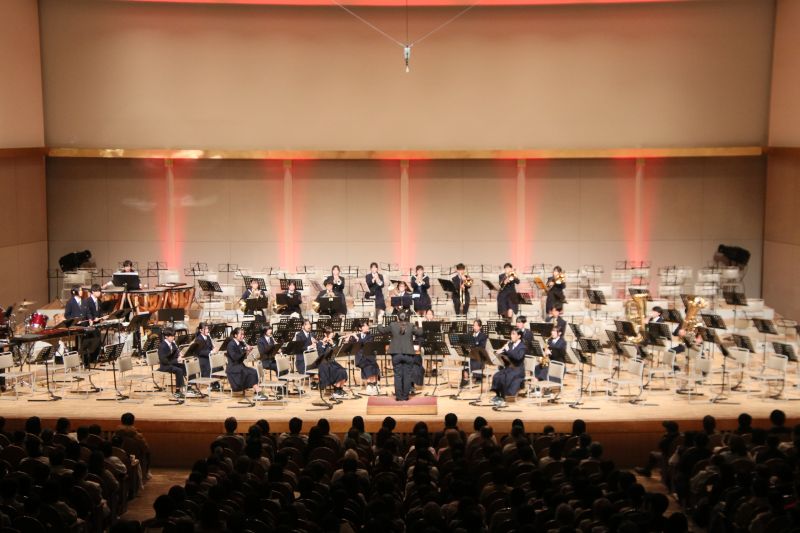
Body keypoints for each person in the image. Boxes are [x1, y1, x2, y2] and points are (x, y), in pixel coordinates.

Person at [378, 312, 423, 401]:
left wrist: (380, 320)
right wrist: (420, 322)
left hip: (396, 354)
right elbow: (420, 333)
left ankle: (399, 397)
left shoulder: (392, 325)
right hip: (408, 354)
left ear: (397, 318)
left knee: (398, 375)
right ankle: (405, 396)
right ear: (406, 318)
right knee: (407, 375)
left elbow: (382, 331)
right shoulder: (411, 325)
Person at [490, 328, 526, 407]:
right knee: (497, 376)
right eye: (511, 334)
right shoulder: (510, 344)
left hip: (518, 370)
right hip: (509, 368)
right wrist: (500, 352)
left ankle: (503, 397)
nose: (511, 336)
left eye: (513, 334)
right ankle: (498, 394)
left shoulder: (522, 346)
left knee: (506, 377)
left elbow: (518, 357)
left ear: (519, 336)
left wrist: (508, 350)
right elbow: (506, 353)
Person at [226, 327, 263, 399]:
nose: (243, 336)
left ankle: (256, 390)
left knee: (253, 371)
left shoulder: (241, 343)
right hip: (233, 367)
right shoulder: (231, 344)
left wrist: (248, 352)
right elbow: (235, 358)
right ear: (235, 335)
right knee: (248, 372)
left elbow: (242, 357)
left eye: (243, 334)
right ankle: (257, 389)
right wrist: (245, 351)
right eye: (241, 334)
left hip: (239, 365)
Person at [316, 327, 347, 400]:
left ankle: (340, 389)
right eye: (330, 333)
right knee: (339, 371)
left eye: (332, 333)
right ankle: (336, 390)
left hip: (332, 362)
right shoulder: (320, 343)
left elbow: (336, 352)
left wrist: (332, 344)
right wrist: (324, 344)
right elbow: (320, 355)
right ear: (325, 334)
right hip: (323, 364)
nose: (332, 334)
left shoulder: (332, 342)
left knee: (343, 370)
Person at [351, 321, 379, 395]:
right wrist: (349, 339)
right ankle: (371, 385)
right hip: (360, 359)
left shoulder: (370, 336)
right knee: (368, 365)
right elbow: (350, 345)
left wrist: (357, 338)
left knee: (374, 365)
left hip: (369, 357)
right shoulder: (356, 336)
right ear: (360, 328)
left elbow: (365, 344)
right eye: (365, 326)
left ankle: (372, 384)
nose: (367, 327)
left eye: (367, 326)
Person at [158, 329, 185, 398]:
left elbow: (175, 353)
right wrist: (177, 360)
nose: (173, 337)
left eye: (174, 336)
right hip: (165, 366)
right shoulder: (162, 346)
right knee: (179, 370)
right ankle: (178, 391)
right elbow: (164, 361)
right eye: (172, 336)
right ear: (166, 337)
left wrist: (179, 354)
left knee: (185, 366)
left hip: (171, 363)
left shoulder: (172, 343)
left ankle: (189, 387)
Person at [194, 323, 218, 391]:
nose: (208, 330)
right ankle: (212, 383)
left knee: (217, 365)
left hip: (208, 357)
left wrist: (214, 348)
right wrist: (211, 352)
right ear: (201, 330)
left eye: (208, 328)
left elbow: (210, 347)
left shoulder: (208, 337)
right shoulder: (198, 339)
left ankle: (215, 382)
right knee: (210, 367)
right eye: (206, 329)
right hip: (202, 359)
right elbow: (200, 352)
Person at [463, 319, 487, 386]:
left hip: (479, 354)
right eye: (474, 325)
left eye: (476, 325)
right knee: (465, 361)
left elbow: (482, 346)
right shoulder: (470, 334)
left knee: (475, 361)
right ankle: (466, 378)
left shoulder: (483, 336)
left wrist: (475, 338)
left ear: (480, 327)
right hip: (471, 354)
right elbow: (467, 343)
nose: (475, 327)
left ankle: (478, 377)